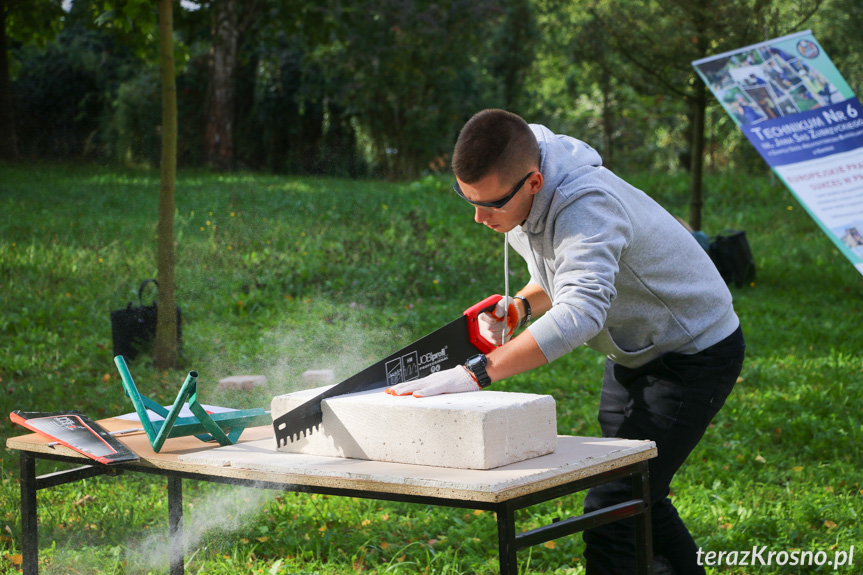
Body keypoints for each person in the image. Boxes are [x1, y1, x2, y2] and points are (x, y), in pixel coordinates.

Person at [387, 109, 745, 574]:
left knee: (614, 508)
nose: (479, 217)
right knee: (640, 495)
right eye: (466, 198)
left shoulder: (586, 204)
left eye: (491, 204)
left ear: (534, 183)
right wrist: (520, 306)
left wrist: (476, 372)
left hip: (693, 352)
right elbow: (565, 273)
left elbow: (581, 311)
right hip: (632, 347)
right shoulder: (522, 161)